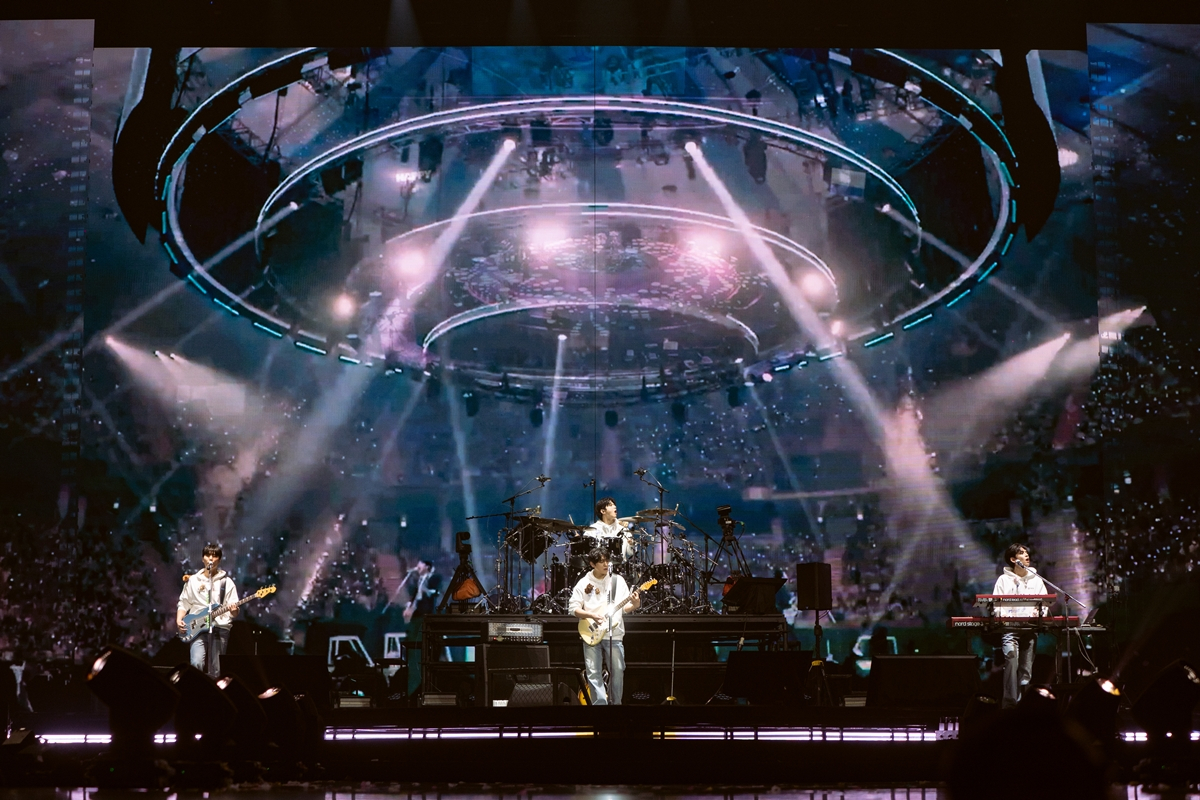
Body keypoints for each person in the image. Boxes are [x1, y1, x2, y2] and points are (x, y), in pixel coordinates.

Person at [568, 548, 640, 705]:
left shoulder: (617, 581)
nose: (606, 564)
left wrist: (635, 605)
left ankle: (615, 705)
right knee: (593, 672)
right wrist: (591, 615)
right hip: (590, 632)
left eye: (607, 560)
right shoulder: (583, 582)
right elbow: (573, 609)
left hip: (614, 633)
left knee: (618, 670)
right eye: (601, 562)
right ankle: (600, 707)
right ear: (592, 564)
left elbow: (625, 608)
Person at [992, 543, 1050, 708]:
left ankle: (1023, 705)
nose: (1026, 555)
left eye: (1026, 553)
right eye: (1022, 553)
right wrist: (1001, 616)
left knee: (1026, 669)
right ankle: (1009, 705)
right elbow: (996, 603)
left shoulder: (1037, 580)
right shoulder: (1003, 580)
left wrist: (1040, 613)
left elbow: (1045, 602)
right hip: (1010, 629)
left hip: (1030, 629)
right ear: (1013, 559)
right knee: (1011, 662)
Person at [177, 543, 239, 679]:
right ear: (202, 558)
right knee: (196, 663)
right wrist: (179, 619)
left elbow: (234, 612)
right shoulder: (193, 580)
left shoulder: (227, 583)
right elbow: (184, 603)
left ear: (219, 560)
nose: (211, 558)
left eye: (215, 556)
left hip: (220, 628)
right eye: (208, 555)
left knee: (216, 669)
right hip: (197, 627)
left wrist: (234, 610)